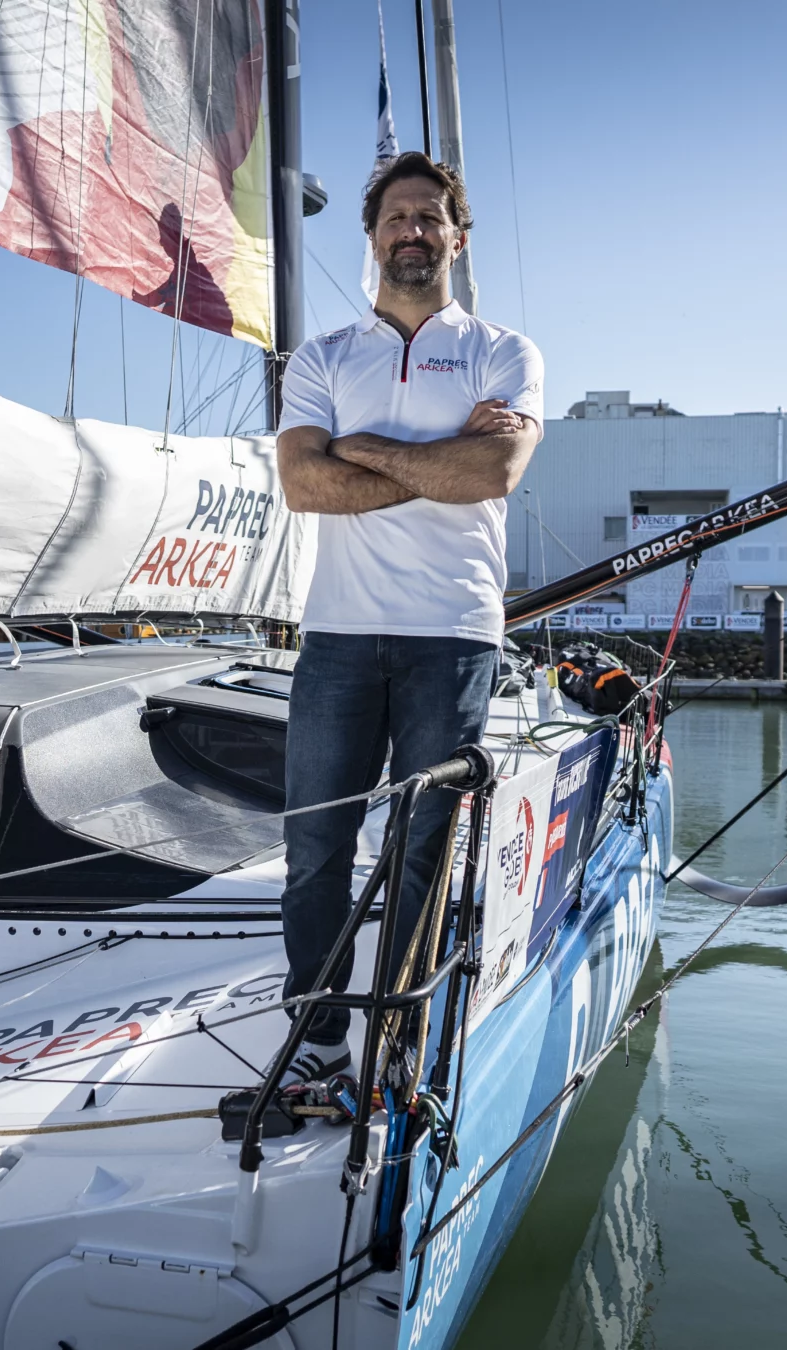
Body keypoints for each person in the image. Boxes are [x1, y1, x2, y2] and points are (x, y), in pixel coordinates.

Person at [272, 151, 544, 1083]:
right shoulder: (324, 357)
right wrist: (433, 459)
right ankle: (316, 1042)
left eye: (431, 218)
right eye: (398, 218)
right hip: (340, 635)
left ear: (456, 239)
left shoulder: (504, 351)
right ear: (373, 237)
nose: (413, 231)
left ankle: (395, 1040)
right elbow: (304, 485)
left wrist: (365, 450)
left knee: (422, 846)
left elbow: (493, 474)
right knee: (315, 848)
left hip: (454, 634)